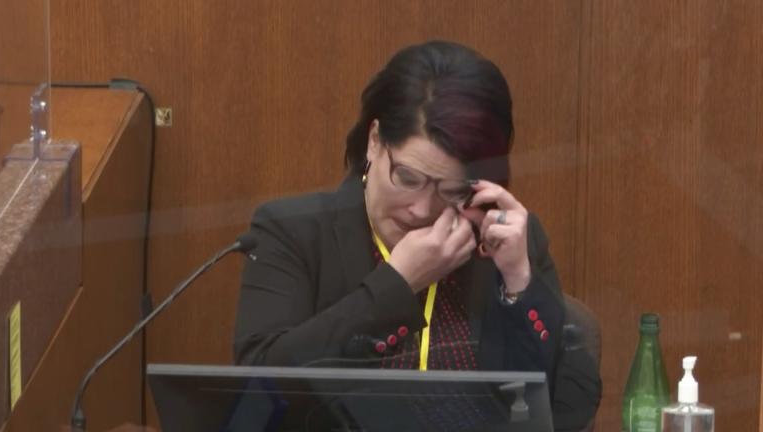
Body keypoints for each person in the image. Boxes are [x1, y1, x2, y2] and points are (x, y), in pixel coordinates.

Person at [234, 40, 601, 431]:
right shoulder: (293, 232)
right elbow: (258, 390)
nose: (422, 209)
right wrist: (395, 285)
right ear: (374, 141)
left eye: (452, 190)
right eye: (408, 178)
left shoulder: (505, 242)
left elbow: (573, 403)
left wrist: (519, 286)